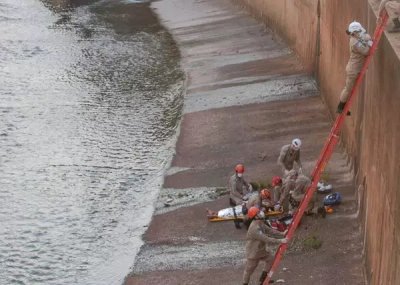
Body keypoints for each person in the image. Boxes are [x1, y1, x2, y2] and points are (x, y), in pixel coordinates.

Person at [242, 207, 287, 285]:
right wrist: (280, 241)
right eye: (258, 212)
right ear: (255, 216)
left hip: (261, 250)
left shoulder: (260, 222)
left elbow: (270, 230)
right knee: (249, 270)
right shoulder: (254, 228)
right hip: (253, 253)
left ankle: (263, 279)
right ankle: (245, 284)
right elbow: (266, 239)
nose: (261, 213)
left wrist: (282, 234)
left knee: (270, 259)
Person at [337, 21, 373, 114]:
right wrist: (369, 42)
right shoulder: (354, 42)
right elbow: (366, 51)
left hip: (355, 67)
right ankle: (340, 107)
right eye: (358, 31)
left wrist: (367, 39)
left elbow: (364, 36)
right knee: (348, 89)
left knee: (349, 89)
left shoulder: (355, 37)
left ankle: (343, 107)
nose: (360, 32)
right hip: (353, 69)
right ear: (354, 32)